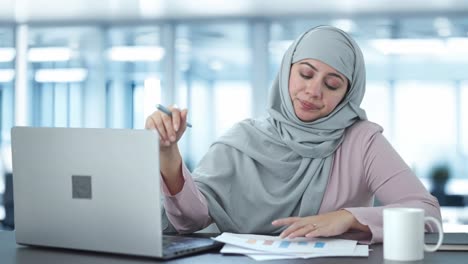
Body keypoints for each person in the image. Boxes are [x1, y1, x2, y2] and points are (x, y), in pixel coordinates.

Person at [145, 25, 441, 243]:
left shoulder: (362, 142)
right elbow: (189, 221)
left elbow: (426, 212)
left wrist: (348, 218)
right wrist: (168, 153)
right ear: (287, 70)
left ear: (348, 95)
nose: (314, 91)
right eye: (306, 74)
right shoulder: (241, 141)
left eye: (333, 84)